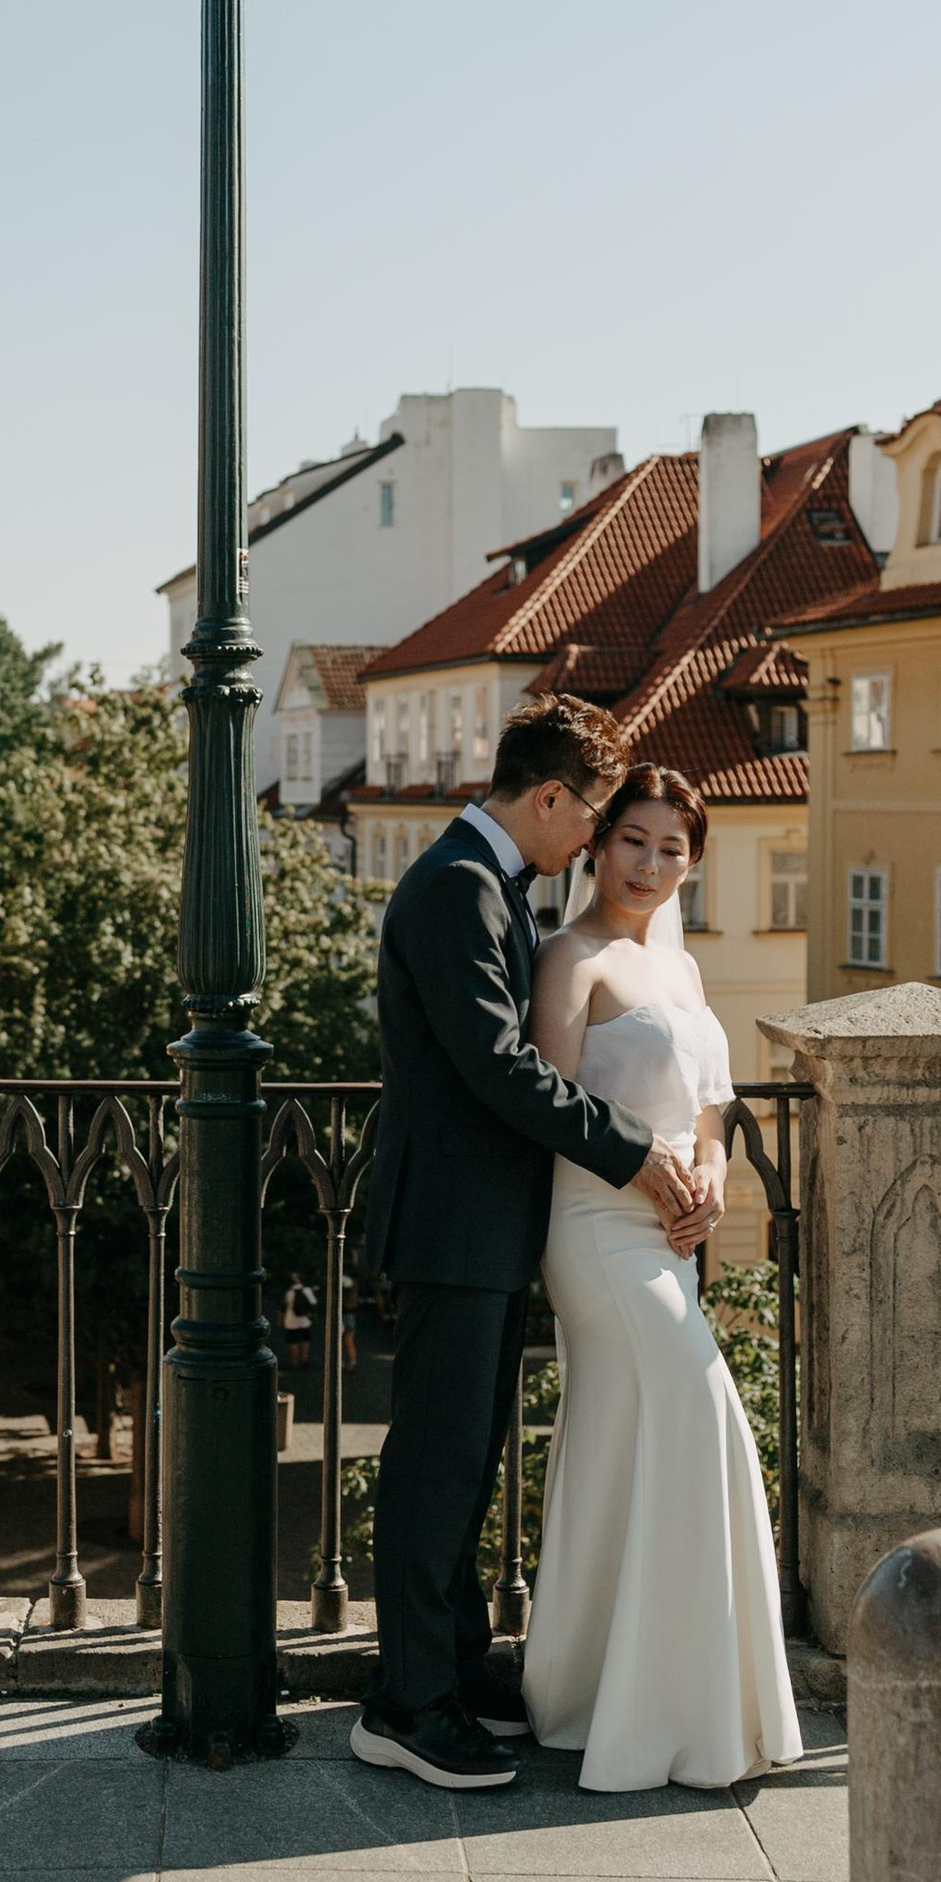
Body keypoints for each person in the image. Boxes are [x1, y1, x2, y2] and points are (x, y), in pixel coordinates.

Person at [354, 695, 701, 1791]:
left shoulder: (485, 879)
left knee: (466, 1460)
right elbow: (501, 1068)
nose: (594, 840)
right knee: (433, 1465)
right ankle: (405, 1705)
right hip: (452, 1227)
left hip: (485, 1227)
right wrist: (636, 1153)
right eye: (594, 815)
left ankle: (452, 1666)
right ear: (551, 797)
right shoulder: (457, 886)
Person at [521, 762, 802, 1789]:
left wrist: (715, 1175)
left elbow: (711, 1107)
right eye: (633, 839)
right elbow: (546, 1109)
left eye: (672, 848)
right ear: (598, 846)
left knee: (623, 1447)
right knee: (702, 1417)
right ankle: (660, 1717)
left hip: (674, 1236)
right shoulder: (571, 957)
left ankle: (597, 1698)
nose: (649, 863)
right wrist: (644, 1173)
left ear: (693, 861)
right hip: (597, 1228)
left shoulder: (680, 971)